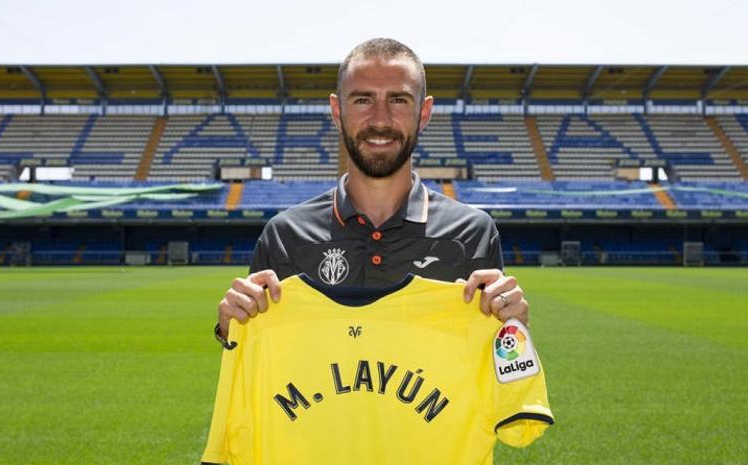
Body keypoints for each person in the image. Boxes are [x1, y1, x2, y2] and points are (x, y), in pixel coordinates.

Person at [215, 38, 527, 343]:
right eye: (363, 100)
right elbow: (264, 368)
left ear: (424, 113)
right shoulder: (285, 236)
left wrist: (512, 327)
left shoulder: (472, 233)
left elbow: (494, 366)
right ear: (337, 112)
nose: (380, 120)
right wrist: (234, 328)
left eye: (398, 100)